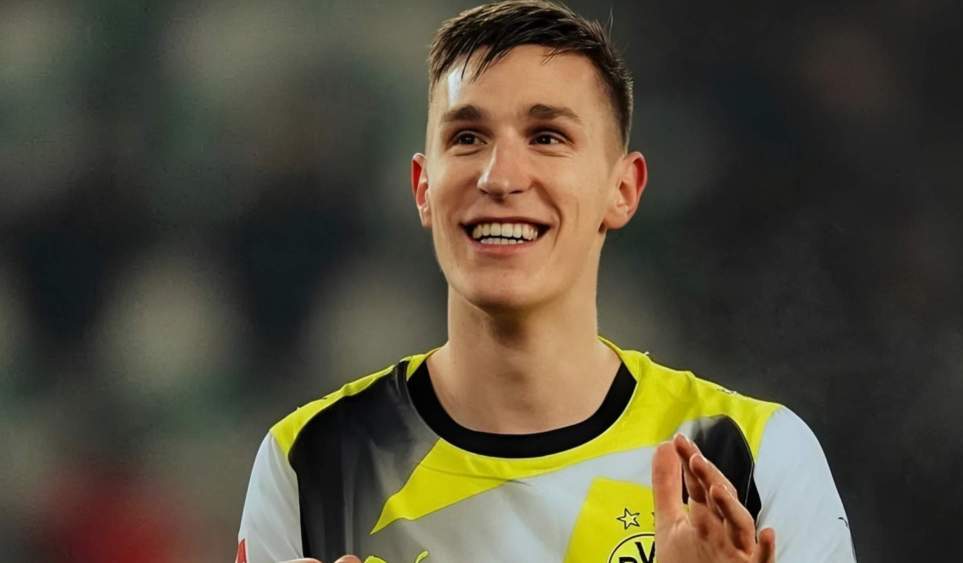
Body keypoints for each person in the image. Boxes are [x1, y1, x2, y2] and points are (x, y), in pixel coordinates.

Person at [236, 1, 856, 562]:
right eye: (468, 137)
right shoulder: (307, 461)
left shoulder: (755, 458)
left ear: (623, 189)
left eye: (547, 137)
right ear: (423, 188)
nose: (501, 177)